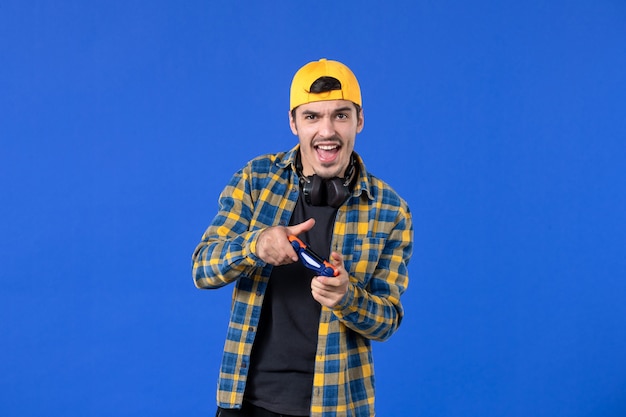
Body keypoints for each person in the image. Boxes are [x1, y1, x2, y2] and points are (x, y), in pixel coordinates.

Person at [192, 58, 414, 417]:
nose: (327, 131)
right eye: (312, 116)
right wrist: (257, 245)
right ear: (293, 122)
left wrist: (347, 298)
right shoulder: (255, 180)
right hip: (246, 403)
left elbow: (387, 320)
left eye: (340, 115)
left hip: (337, 405)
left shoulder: (390, 211)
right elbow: (202, 269)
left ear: (359, 120)